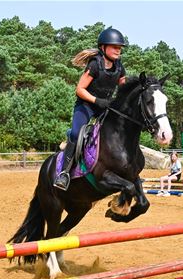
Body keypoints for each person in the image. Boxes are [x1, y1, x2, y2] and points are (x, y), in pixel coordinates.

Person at [54, 27, 127, 191]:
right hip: (86, 105)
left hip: (105, 106)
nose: (118, 50)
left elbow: (123, 88)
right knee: (75, 133)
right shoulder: (94, 64)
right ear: (103, 47)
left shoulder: (119, 66)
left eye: (120, 47)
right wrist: (96, 100)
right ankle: (64, 173)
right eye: (115, 47)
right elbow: (79, 89)